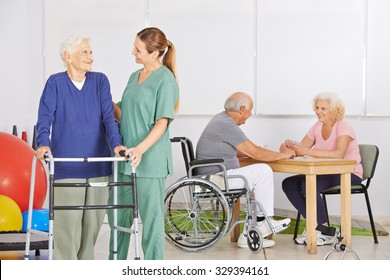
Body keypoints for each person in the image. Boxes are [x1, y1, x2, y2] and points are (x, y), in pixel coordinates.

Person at [35, 35, 126, 260]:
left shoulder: (100, 81)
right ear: (68, 56)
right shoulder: (55, 83)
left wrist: (116, 145)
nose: (90, 57)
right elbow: (45, 117)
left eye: (91, 52)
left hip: (99, 165)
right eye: (84, 52)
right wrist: (43, 144)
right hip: (67, 167)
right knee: (67, 227)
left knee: (92, 226)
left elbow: (108, 117)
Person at [108, 27, 179, 260]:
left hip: (150, 160)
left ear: (154, 52)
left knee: (151, 223)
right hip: (125, 159)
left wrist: (140, 149)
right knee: (118, 220)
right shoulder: (133, 77)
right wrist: (103, 100)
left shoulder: (166, 80)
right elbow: (124, 114)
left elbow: (162, 122)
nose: (133, 53)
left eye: (138, 50)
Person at [196, 92, 294, 249]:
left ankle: (248, 233)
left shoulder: (221, 119)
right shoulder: (226, 124)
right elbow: (255, 153)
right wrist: (283, 154)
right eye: (250, 111)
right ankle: (262, 223)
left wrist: (258, 150)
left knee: (256, 179)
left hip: (216, 175)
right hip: (217, 178)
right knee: (263, 171)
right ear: (242, 109)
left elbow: (243, 150)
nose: (248, 116)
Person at [280, 92, 363, 246]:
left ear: (334, 109)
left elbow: (339, 155)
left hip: (348, 173)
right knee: (288, 184)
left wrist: (306, 151)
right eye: (317, 107)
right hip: (324, 172)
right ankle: (317, 227)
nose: (318, 111)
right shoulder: (317, 126)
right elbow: (302, 148)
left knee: (308, 184)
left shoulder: (344, 126)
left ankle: (322, 230)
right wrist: (288, 148)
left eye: (323, 108)